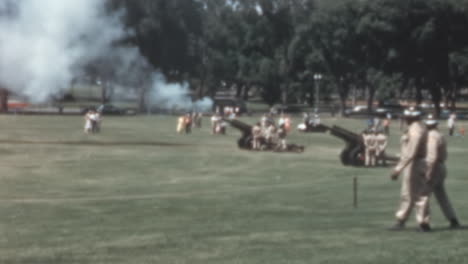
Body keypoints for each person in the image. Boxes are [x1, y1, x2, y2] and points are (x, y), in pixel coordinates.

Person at [389, 107, 429, 231]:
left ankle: (422, 223)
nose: (404, 118)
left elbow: (411, 152)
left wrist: (398, 169)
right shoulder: (415, 128)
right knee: (409, 193)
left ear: (412, 117)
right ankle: (402, 220)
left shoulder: (415, 130)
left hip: (414, 163)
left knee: (416, 194)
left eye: (406, 116)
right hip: (414, 163)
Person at [422, 115, 460, 229]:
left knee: (424, 195)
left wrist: (428, 172)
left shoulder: (431, 136)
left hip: (433, 167)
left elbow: (432, 156)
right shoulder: (440, 135)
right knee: (442, 196)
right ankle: (453, 219)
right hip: (441, 166)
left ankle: (424, 222)